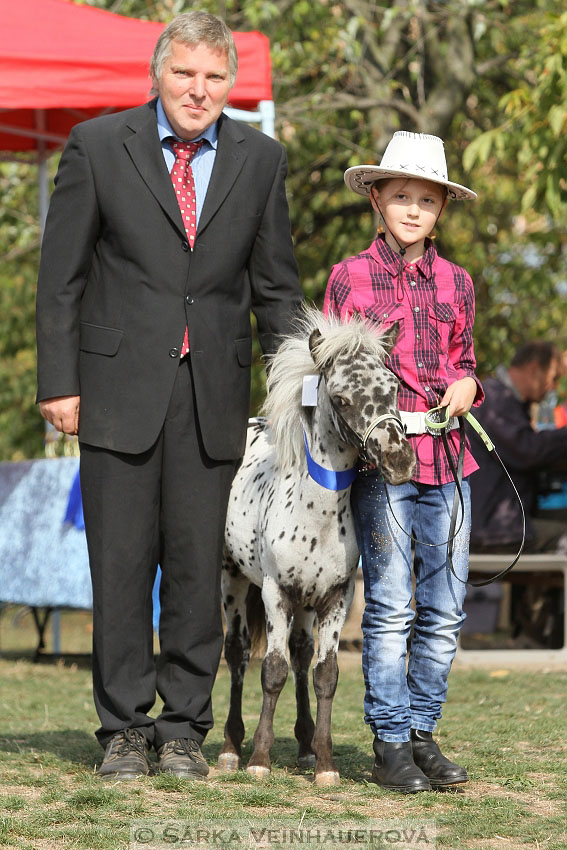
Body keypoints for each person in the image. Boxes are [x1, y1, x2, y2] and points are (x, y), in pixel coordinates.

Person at [36, 11, 302, 781]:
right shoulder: (97, 145)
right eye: (185, 73)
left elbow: (276, 289)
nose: (198, 90)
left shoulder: (261, 159)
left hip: (212, 397)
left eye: (215, 77)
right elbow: (62, 279)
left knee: (195, 568)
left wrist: (292, 398)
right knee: (119, 566)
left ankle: (183, 727)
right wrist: (58, 382)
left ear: (231, 85)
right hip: (113, 391)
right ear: (158, 74)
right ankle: (123, 729)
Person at [323, 131, 481, 793]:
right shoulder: (348, 278)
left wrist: (469, 384)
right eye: (400, 197)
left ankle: (421, 732)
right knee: (389, 606)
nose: (413, 209)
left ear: (441, 209)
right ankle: (389, 742)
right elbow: (329, 373)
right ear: (376, 201)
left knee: (443, 609)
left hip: (449, 459)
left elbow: (467, 360)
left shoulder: (457, 282)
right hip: (383, 465)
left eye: (426, 199)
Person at [468, 342, 567, 648]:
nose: (554, 387)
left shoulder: (501, 398)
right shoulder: (493, 399)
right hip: (491, 530)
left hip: (499, 525)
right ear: (533, 370)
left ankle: (533, 634)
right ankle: (536, 636)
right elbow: (526, 451)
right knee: (560, 536)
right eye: (553, 377)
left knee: (552, 525)